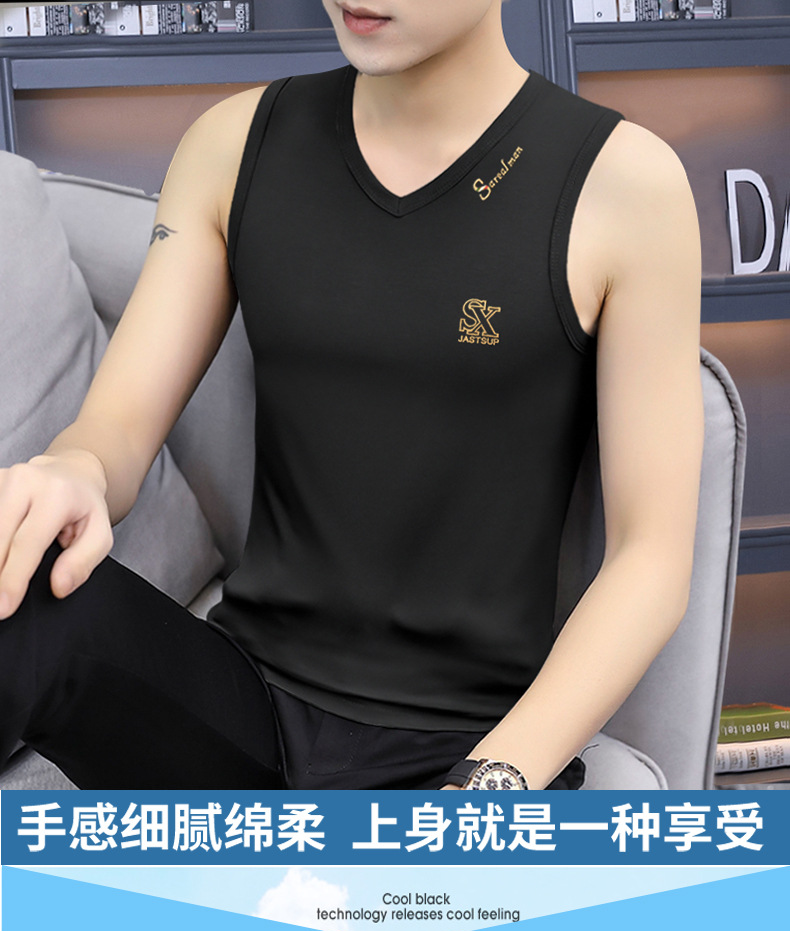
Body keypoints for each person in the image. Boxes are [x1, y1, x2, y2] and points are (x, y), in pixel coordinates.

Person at [0, 0, 703, 790]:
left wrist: (495, 777)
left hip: (464, 742)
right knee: (18, 597)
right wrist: (75, 469)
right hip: (243, 707)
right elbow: (118, 426)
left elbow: (652, 558)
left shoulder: (628, 186)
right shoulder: (230, 145)